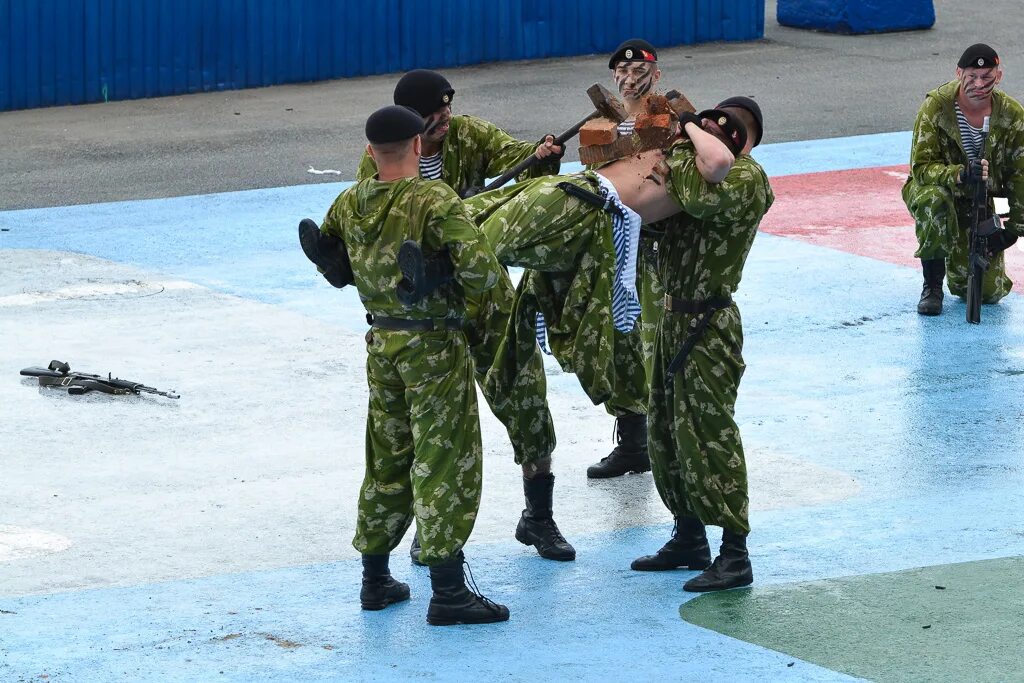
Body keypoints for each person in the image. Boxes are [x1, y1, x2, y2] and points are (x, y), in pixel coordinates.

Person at [359, 70, 576, 565]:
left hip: (486, 297)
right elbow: (371, 235)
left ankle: (538, 516)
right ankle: (429, 525)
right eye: (435, 114)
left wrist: (542, 159)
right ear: (412, 124)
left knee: (525, 396)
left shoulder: (471, 135)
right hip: (429, 314)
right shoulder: (382, 157)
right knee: (424, 426)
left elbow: (521, 168)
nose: (446, 120)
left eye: (449, 109)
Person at [323, 104, 509, 625]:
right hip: (432, 345)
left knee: (385, 456)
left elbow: (335, 264)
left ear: (368, 152)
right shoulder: (433, 198)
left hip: (381, 343)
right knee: (443, 457)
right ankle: (448, 590)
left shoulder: (349, 199)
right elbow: (485, 275)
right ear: (419, 146)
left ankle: (375, 579)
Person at [630, 97, 774, 592]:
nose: (715, 128)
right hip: (671, 319)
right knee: (666, 430)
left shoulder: (747, 179)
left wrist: (685, 137)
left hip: (707, 324)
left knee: (710, 433)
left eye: (730, 127)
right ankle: (688, 535)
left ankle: (735, 551)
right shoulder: (702, 167)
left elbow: (695, 194)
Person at [584, 38, 665, 479]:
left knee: (655, 340)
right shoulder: (603, 125)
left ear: (657, 74)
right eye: (623, 72)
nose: (630, 78)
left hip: (654, 247)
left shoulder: (671, 120)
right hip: (614, 246)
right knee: (619, 340)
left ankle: (665, 437)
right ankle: (633, 440)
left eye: (639, 72)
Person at [903, 43, 1023, 316]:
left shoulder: (1012, 116)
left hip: (980, 200)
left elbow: (1021, 175)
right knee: (935, 201)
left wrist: (1013, 231)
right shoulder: (935, 108)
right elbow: (921, 168)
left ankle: (956, 274)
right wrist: (958, 173)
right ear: (959, 73)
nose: (979, 84)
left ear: (999, 76)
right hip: (936, 189)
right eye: (972, 77)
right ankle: (932, 285)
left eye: (987, 77)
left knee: (985, 294)